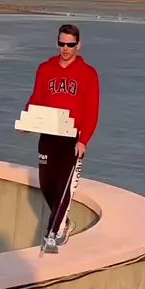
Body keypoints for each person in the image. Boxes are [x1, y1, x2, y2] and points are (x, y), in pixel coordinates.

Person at [24, 23, 100, 253]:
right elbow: (36, 98)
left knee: (63, 187)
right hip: (48, 135)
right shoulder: (45, 69)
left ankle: (52, 235)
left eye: (70, 44)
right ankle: (64, 221)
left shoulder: (88, 74)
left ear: (78, 45)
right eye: (62, 43)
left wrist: (84, 140)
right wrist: (27, 120)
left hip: (71, 139)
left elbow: (92, 110)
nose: (65, 48)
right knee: (47, 184)